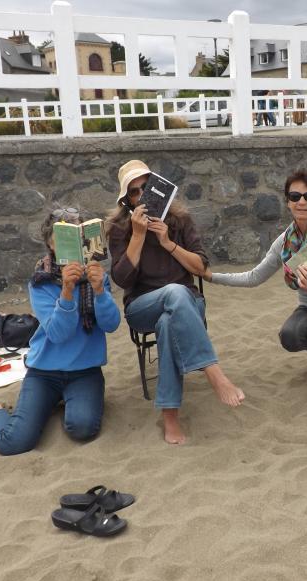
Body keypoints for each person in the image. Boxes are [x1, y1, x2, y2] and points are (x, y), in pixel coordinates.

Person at [0, 207, 122, 455]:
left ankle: (67, 400)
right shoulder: (41, 282)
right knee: (14, 443)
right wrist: (66, 291)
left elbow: (111, 324)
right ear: (51, 244)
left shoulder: (97, 275)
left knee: (83, 429)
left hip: (85, 372)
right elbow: (57, 334)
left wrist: (99, 290)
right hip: (45, 372)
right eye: (61, 238)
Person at [108, 160, 244, 445]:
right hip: (142, 306)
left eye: (147, 188)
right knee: (174, 293)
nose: (142, 195)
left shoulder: (180, 221)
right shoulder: (120, 229)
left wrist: (168, 242)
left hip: (188, 306)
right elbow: (121, 279)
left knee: (170, 317)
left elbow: (201, 268)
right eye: (135, 192)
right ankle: (214, 373)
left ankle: (170, 415)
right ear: (127, 201)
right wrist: (139, 236)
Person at [204, 170, 307, 393]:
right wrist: (211, 276)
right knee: (289, 337)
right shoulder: (286, 241)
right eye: (295, 196)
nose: (301, 202)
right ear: (287, 202)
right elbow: (254, 277)